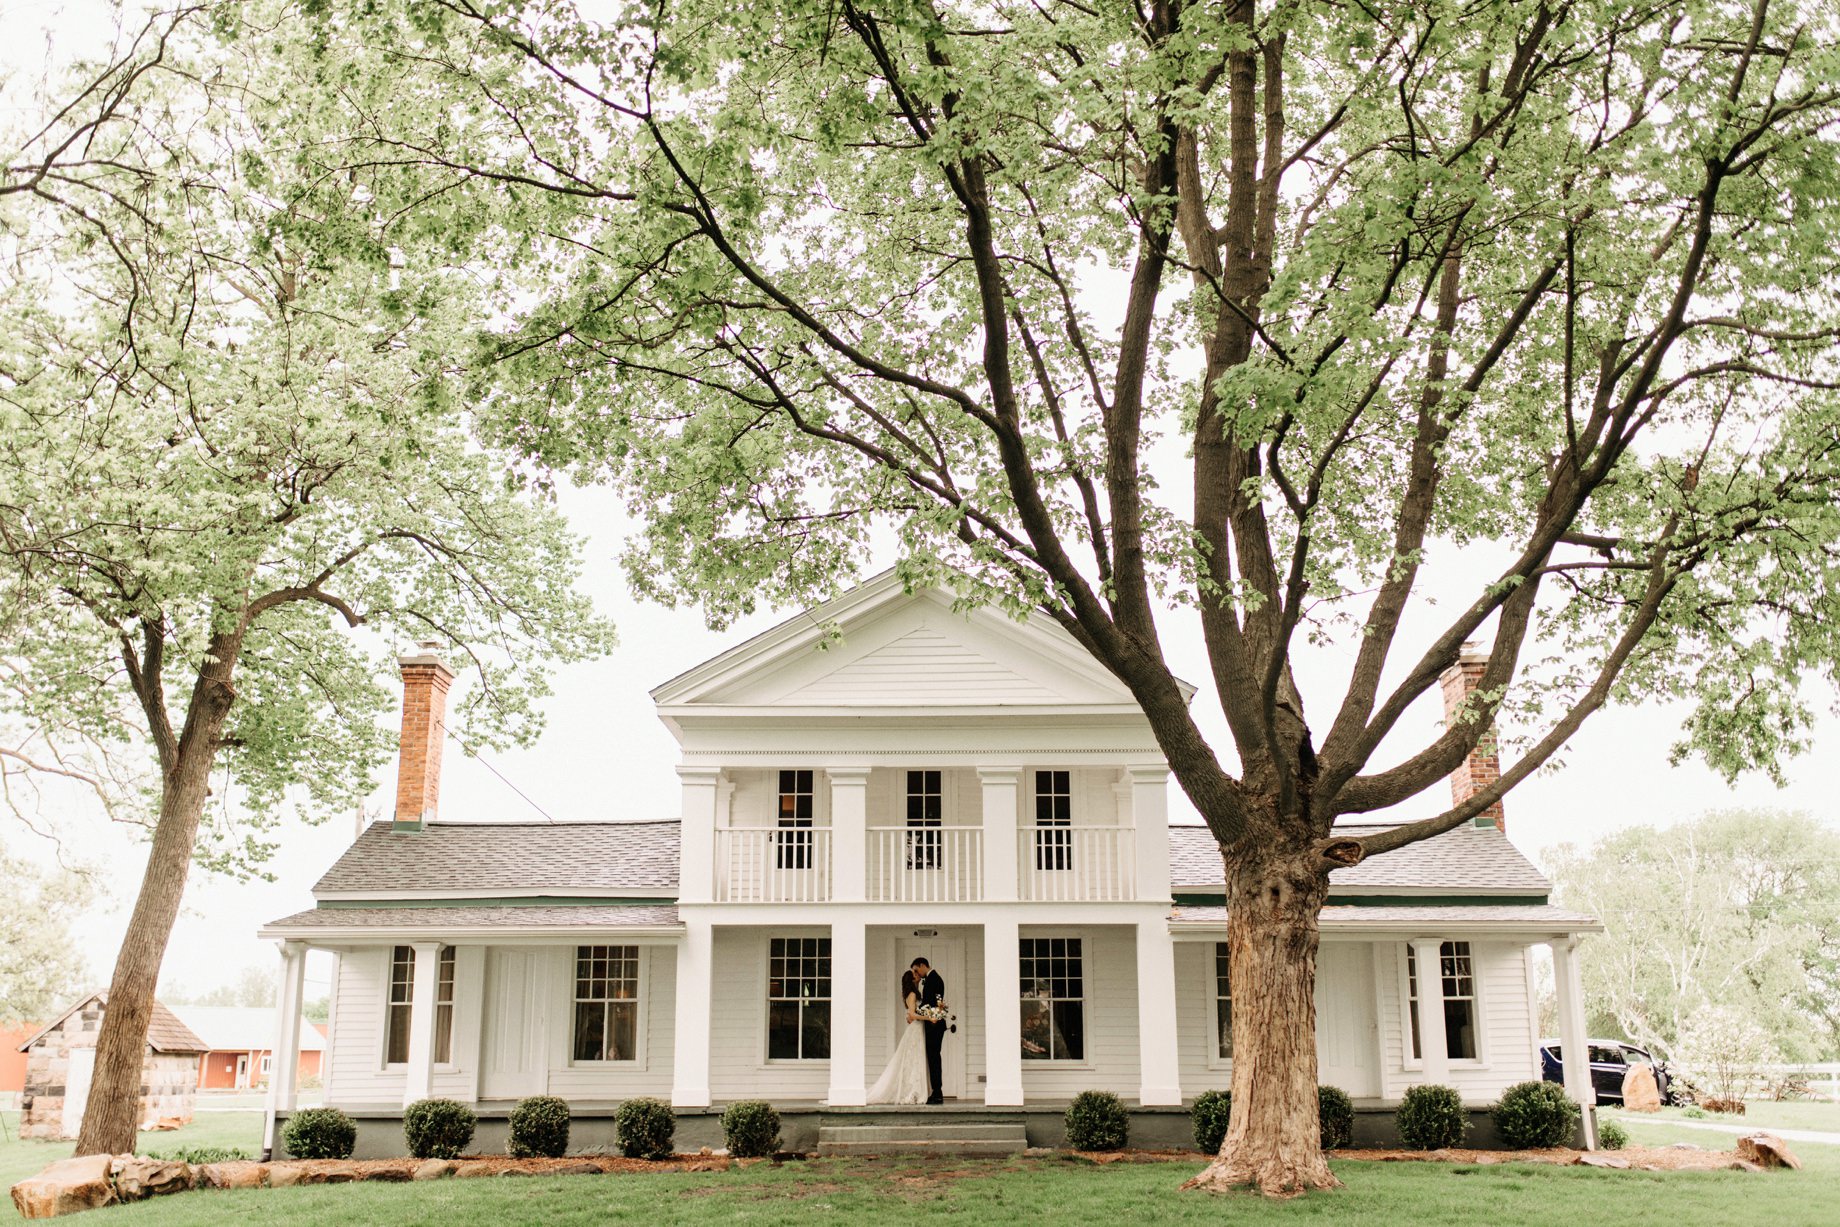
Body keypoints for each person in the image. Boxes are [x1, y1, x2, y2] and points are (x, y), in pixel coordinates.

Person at [866, 963, 929, 1104]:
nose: (918, 975)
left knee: (914, 1059)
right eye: (915, 975)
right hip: (916, 1028)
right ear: (911, 980)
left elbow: (912, 1012)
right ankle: (912, 1092)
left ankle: (914, 1091)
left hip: (916, 1028)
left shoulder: (912, 993)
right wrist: (929, 1017)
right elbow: (912, 1014)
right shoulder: (912, 994)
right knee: (914, 1059)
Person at [913, 957, 947, 1104]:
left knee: (934, 1058)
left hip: (935, 1026)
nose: (916, 973)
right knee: (932, 1058)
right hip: (933, 1024)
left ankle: (937, 1092)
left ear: (922, 965)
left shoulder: (936, 979)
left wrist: (918, 1013)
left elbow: (938, 1004)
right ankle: (935, 1091)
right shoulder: (930, 979)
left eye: (916, 970)